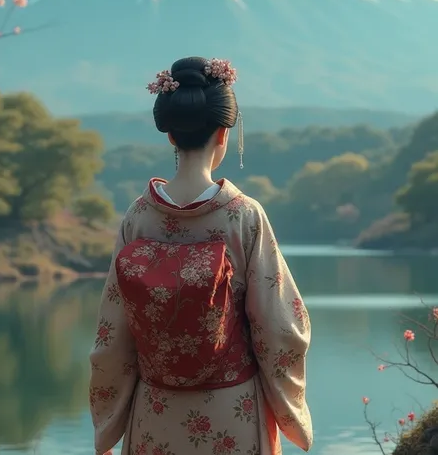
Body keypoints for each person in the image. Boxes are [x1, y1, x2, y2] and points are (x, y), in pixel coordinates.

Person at [89, 56, 313, 455]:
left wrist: (108, 422)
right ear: (224, 133)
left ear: (171, 136)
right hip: (233, 408)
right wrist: (289, 409)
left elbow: (113, 331)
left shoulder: (138, 218)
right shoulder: (243, 216)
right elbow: (279, 326)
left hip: (155, 409)